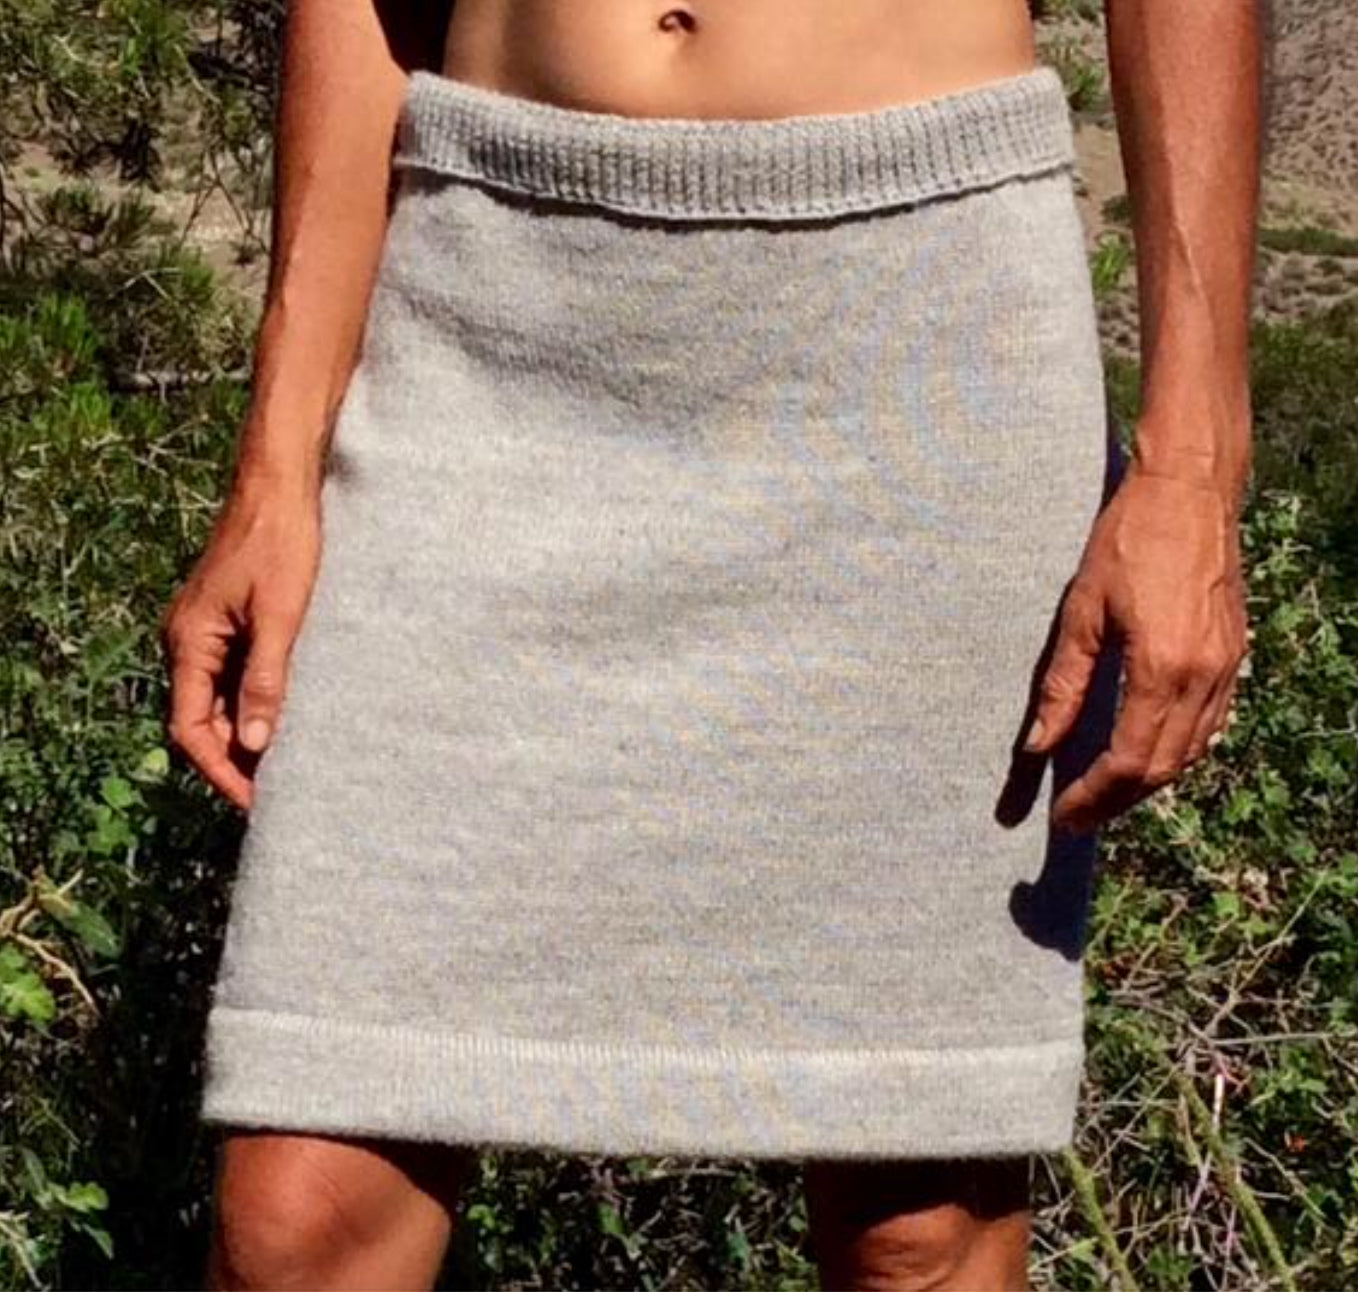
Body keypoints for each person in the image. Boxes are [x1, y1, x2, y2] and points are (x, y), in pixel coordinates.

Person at [160, 0, 1261, 1288]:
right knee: (297, 1223)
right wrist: (274, 469)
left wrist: (1193, 467)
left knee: (916, 1229)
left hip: (915, 354)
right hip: (489, 317)